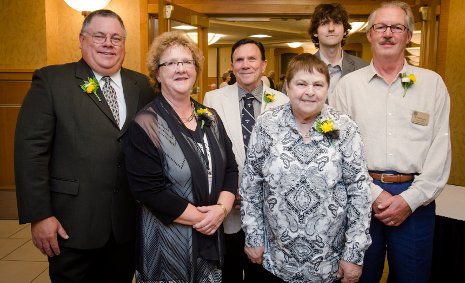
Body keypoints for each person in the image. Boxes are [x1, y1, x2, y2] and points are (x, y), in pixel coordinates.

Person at [14, 9, 154, 283]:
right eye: (99, 36)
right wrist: (40, 215)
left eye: (116, 38)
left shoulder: (143, 85)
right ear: (82, 39)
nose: (108, 44)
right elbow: (30, 152)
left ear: (124, 44)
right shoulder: (52, 81)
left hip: (126, 225)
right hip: (71, 224)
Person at [330, 2, 451, 282]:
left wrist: (410, 200)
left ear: (408, 35)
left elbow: (440, 149)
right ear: (369, 34)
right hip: (360, 196)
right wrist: (373, 194)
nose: (388, 33)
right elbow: (337, 151)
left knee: (413, 277)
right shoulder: (348, 87)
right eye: (380, 27)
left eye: (397, 27)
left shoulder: (432, 84)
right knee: (358, 277)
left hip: (416, 200)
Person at [241, 53, 372, 283]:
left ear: (327, 89)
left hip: (328, 262)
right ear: (287, 87)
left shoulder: (345, 127)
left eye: (318, 85)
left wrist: (353, 254)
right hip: (276, 259)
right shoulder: (267, 124)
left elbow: (359, 193)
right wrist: (253, 237)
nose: (309, 91)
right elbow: (251, 185)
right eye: (301, 84)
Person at [123, 30, 238, 283]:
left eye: (187, 62)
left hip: (210, 239)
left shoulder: (210, 116)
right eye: (171, 63)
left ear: (196, 70)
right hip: (168, 245)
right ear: (157, 73)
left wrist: (221, 209)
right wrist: (207, 219)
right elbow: (148, 190)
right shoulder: (145, 124)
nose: (180, 69)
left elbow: (230, 169)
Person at [203, 38, 289, 282]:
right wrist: (230, 192)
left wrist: (257, 193)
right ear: (232, 65)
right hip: (229, 206)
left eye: (252, 59)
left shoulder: (283, 102)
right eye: (239, 60)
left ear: (263, 64)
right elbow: (209, 153)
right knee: (228, 272)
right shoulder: (212, 99)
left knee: (262, 275)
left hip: (269, 210)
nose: (245, 65)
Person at [309, 3, 368, 96]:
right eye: (324, 23)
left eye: (336, 23)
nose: (331, 28)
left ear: (345, 30)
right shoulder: (300, 68)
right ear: (315, 32)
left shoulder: (364, 67)